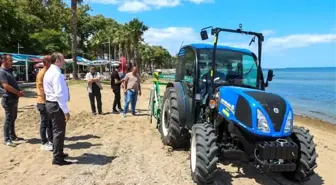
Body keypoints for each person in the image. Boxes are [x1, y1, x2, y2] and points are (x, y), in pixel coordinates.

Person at [43, 52, 71, 165]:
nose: (64, 62)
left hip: (51, 103)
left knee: (56, 131)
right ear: (57, 61)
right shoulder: (56, 74)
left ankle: (58, 152)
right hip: (56, 105)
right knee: (59, 132)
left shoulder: (50, 71)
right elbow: (59, 94)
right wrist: (66, 111)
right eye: (62, 59)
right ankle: (57, 158)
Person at [0, 54, 25, 147]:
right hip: (8, 99)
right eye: (10, 60)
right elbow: (6, 86)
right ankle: (7, 139)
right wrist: (18, 93)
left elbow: (12, 84)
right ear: (4, 61)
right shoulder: (2, 72)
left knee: (13, 118)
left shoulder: (8, 71)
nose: (12, 62)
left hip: (13, 98)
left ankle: (12, 136)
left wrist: (19, 91)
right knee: (8, 119)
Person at [36, 55, 53, 151]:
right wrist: (46, 100)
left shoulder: (48, 72)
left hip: (48, 101)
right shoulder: (41, 73)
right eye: (51, 61)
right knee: (44, 123)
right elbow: (40, 89)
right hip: (43, 102)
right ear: (46, 62)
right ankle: (43, 142)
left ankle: (50, 140)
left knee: (50, 122)